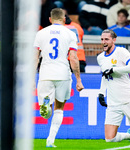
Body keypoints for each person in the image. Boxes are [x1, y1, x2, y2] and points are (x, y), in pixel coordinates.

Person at [33, 8, 84, 147]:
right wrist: (78, 80)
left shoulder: (40, 33)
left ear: (50, 19)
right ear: (64, 19)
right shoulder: (70, 33)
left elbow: (35, 57)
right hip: (63, 74)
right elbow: (73, 58)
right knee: (60, 108)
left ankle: (46, 105)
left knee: (45, 114)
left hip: (45, 74)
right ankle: (50, 140)